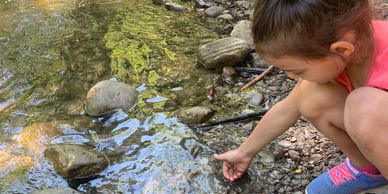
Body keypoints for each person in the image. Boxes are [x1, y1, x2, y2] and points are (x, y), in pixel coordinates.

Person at [213, 0, 388, 193]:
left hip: (374, 112)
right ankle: (368, 170)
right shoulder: (344, 51)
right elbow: (288, 108)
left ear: (341, 49)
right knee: (310, 95)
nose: (291, 76)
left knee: (365, 106)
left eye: (297, 70)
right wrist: (243, 153)